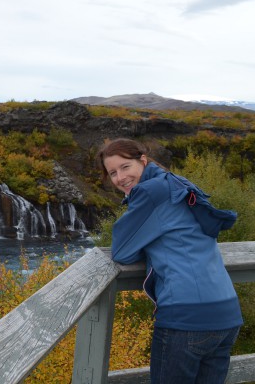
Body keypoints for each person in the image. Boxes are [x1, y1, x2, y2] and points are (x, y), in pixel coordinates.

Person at [96, 138, 243, 384]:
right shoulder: (177, 183)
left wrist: (146, 242)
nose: (120, 178)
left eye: (125, 167)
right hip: (226, 315)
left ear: (142, 161)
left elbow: (121, 251)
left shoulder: (150, 192)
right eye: (113, 173)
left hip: (186, 317)